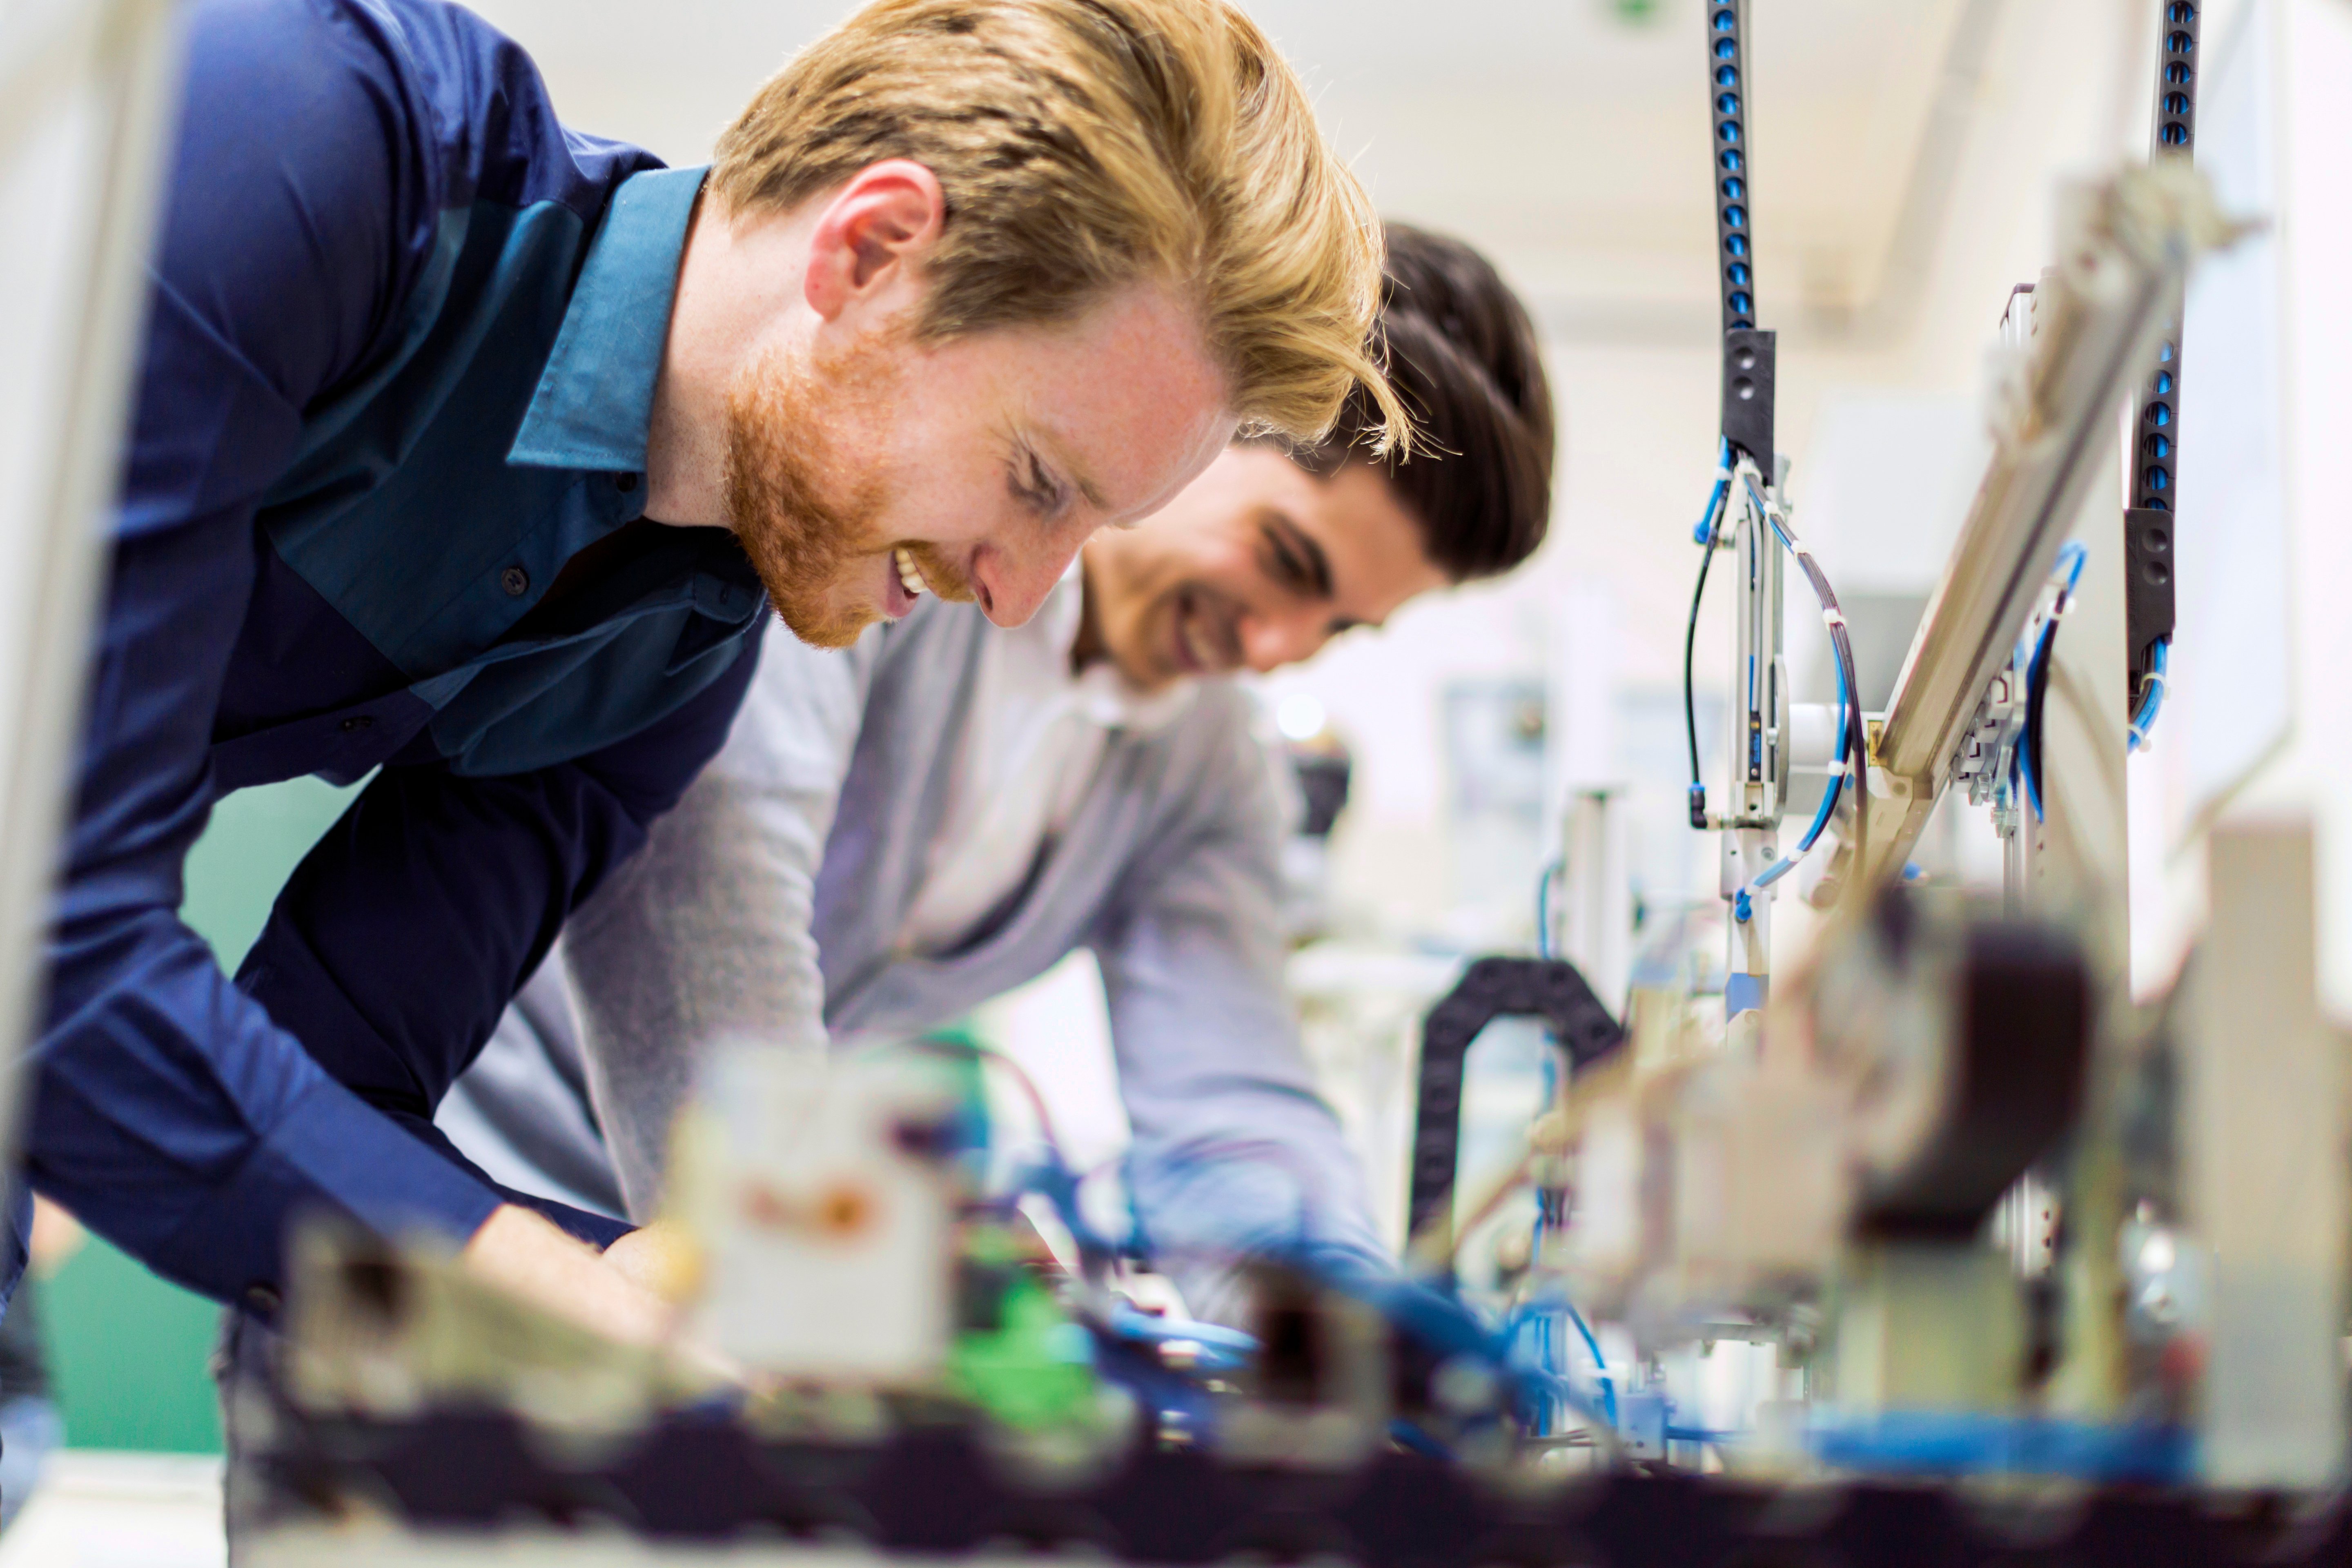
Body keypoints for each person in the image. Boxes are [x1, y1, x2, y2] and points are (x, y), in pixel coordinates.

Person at [22, 0, 1401, 1345]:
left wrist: (720, 1294)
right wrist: (560, 1290)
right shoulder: (309, 132)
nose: (1018, 594)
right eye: (1037, 482)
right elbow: (54, 952)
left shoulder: (676, 646)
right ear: (871, 251)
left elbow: (338, 1091)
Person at [443, 225, 1555, 1321]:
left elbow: (1232, 1108)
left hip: (732, 1273)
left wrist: (1343, 1349)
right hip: (479, 1198)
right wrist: (841, 1272)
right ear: (1205, 426)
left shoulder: (1208, 770)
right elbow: (712, 895)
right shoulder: (912, 542)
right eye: (1286, 563)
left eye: (1340, 628)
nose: (1277, 648)